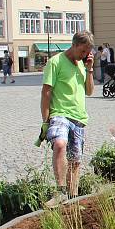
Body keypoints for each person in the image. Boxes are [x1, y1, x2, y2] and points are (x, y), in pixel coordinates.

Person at [40, 30, 95, 205]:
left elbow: (89, 91)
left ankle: (72, 199)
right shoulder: (55, 62)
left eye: (87, 52)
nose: (85, 55)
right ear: (74, 45)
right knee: (59, 143)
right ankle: (60, 191)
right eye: (83, 51)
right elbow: (46, 92)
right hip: (60, 113)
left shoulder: (81, 64)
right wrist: (45, 121)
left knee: (75, 160)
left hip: (79, 117)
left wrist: (90, 69)